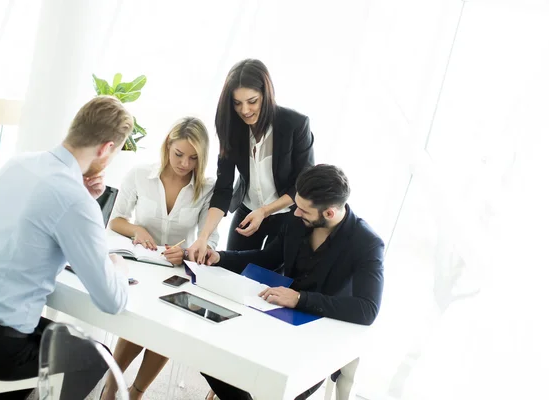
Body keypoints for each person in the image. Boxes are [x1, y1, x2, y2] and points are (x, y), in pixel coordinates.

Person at [0, 96, 132, 400]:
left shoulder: (17, 163)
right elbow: (112, 300)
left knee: (54, 336)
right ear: (106, 148)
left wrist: (83, 197)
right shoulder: (74, 198)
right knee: (95, 355)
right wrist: (118, 266)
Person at [201, 164, 385, 400]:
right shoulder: (296, 219)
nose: (295, 213)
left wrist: (300, 299)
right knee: (209, 355)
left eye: (303, 210)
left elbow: (367, 309)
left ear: (329, 213)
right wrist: (220, 257)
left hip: (319, 336)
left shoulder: (367, 244)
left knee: (276, 390)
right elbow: (269, 257)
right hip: (277, 318)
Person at [101, 117, 219, 400]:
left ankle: (136, 392)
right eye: (179, 154)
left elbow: (210, 240)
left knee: (168, 328)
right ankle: (110, 389)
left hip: (175, 269)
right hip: (139, 265)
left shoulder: (206, 187)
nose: (185, 164)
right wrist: (137, 230)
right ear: (167, 146)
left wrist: (189, 252)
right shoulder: (140, 174)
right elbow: (116, 221)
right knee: (139, 321)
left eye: (194, 158)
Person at [186, 59, 315, 263]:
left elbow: (304, 186)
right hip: (247, 210)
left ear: (266, 94)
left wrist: (264, 211)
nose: (245, 110)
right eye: (237, 103)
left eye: (252, 101)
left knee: (266, 283)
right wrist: (203, 238)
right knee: (228, 269)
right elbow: (223, 189)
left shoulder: (295, 124)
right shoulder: (231, 127)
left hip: (286, 215)